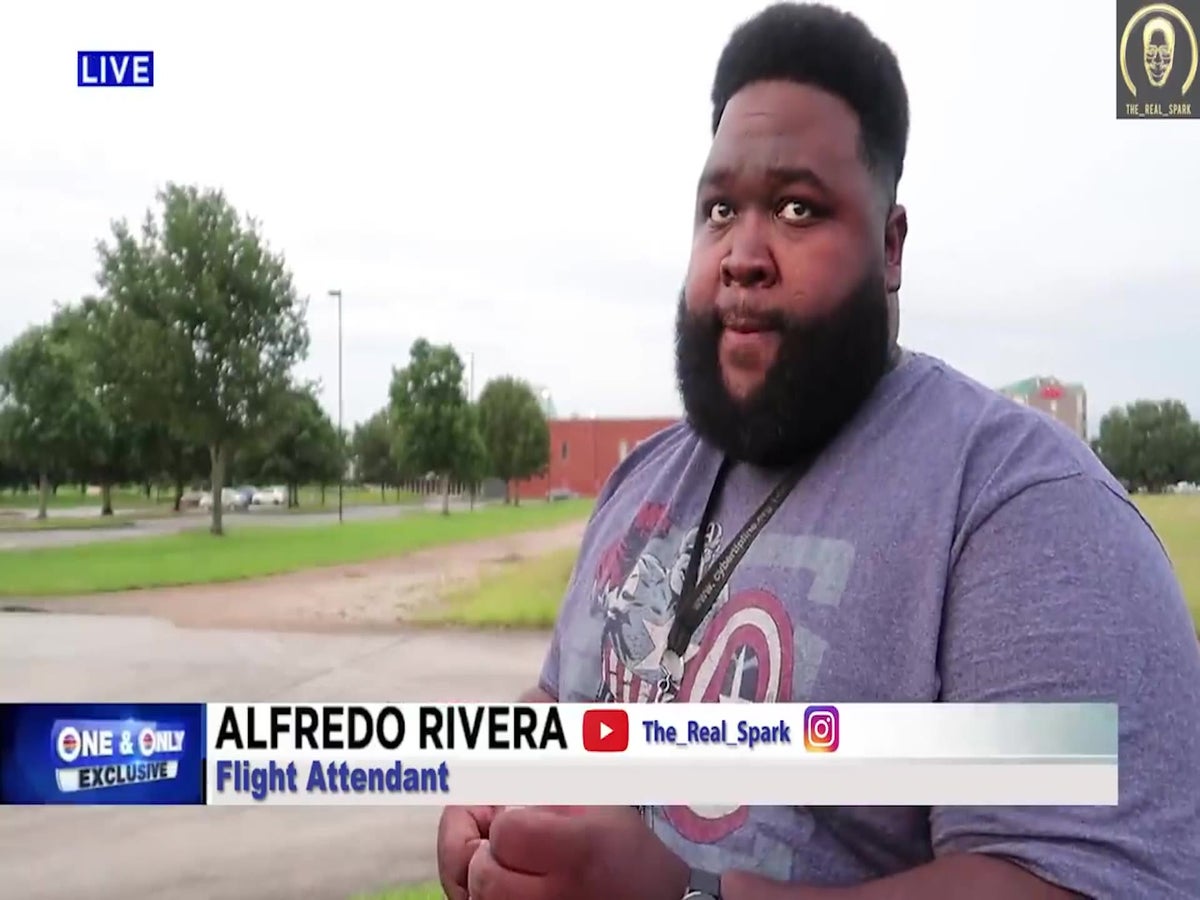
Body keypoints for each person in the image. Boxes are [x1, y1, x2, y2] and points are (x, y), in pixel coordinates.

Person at [437, 3, 1200, 898]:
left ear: (890, 245)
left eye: (798, 209)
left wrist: (689, 896)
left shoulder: (1024, 509)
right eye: (720, 209)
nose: (742, 254)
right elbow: (560, 712)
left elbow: (1082, 879)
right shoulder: (641, 481)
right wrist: (497, 800)